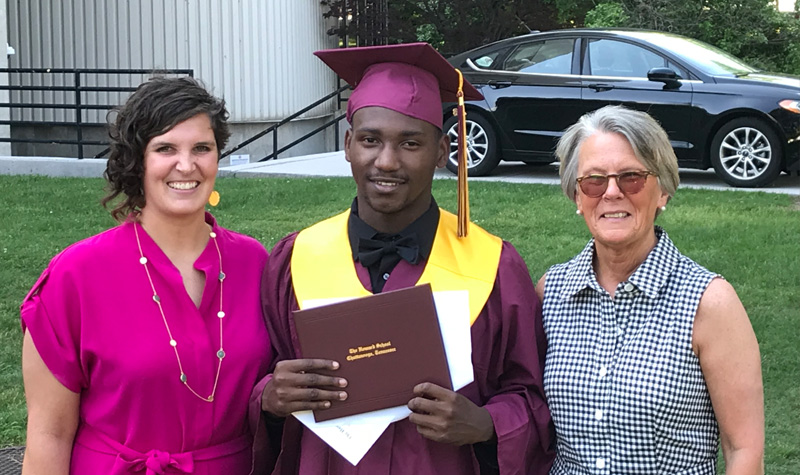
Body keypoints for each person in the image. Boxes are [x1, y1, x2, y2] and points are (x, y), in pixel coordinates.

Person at [253, 43, 555, 474]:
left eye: (410, 143)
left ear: (442, 151)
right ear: (347, 145)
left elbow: (530, 396)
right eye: (370, 139)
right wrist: (269, 396)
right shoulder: (295, 259)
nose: (387, 161)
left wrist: (486, 423)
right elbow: (255, 377)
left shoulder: (494, 267)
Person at [20, 77, 272, 475]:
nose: (186, 165)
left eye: (202, 149)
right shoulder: (76, 276)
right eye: (166, 148)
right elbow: (49, 434)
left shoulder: (255, 263)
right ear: (138, 161)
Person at [537, 105, 764, 474]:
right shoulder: (551, 293)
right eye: (594, 180)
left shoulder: (709, 303)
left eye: (631, 177)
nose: (611, 193)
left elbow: (744, 451)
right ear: (577, 197)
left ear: (662, 192)